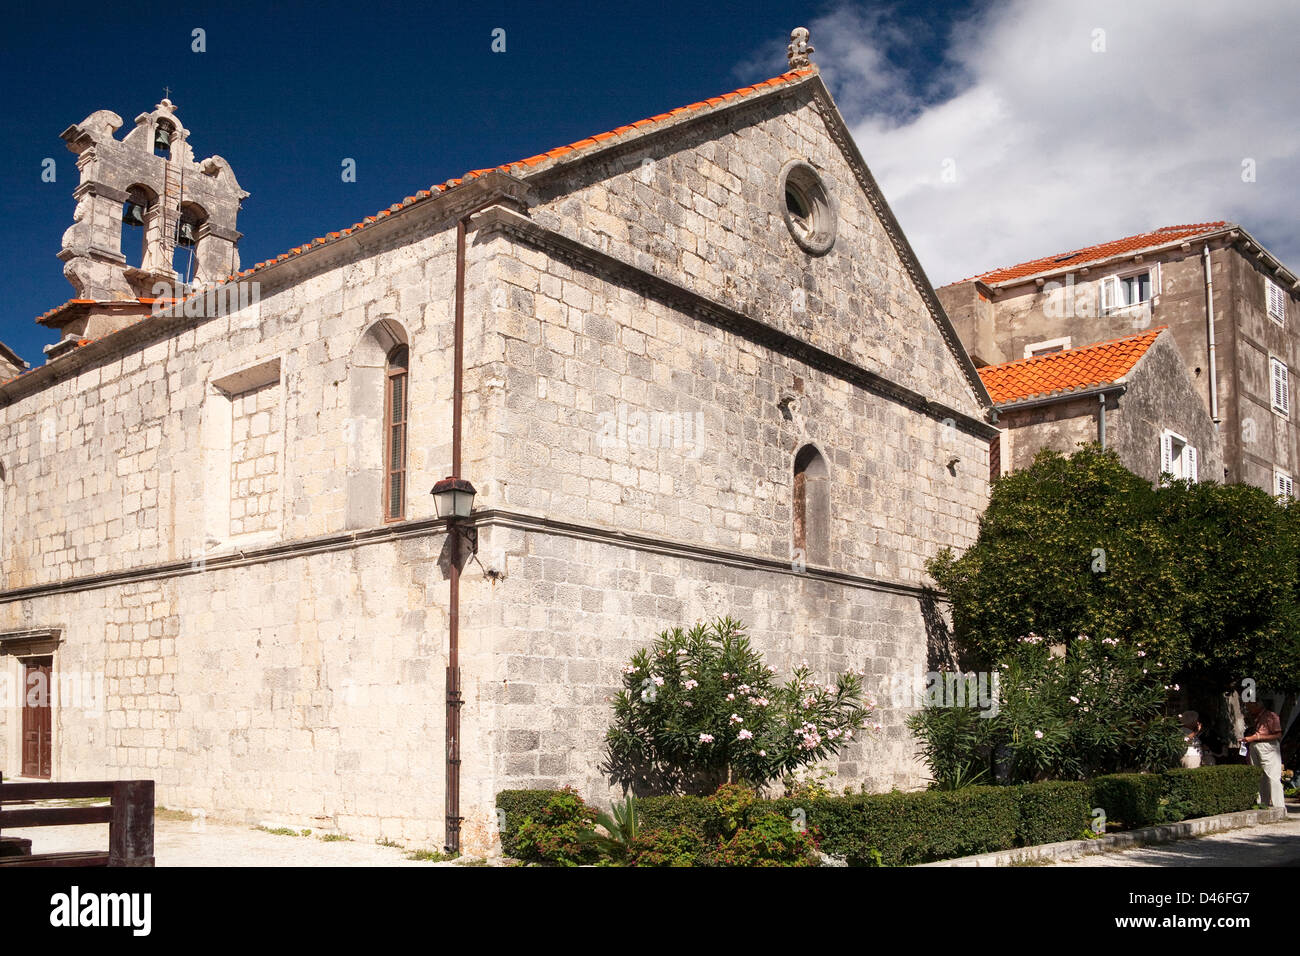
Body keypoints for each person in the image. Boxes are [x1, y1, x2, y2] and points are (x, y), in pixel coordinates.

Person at [1242, 700, 1285, 808]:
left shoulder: (1271, 716)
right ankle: (1262, 804)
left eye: (1249, 706)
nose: (1247, 709)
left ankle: (1279, 807)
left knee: (1273, 776)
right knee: (1259, 776)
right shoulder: (1253, 717)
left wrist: (1257, 737)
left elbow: (1278, 734)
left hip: (1267, 746)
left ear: (1256, 704)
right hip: (1255, 745)